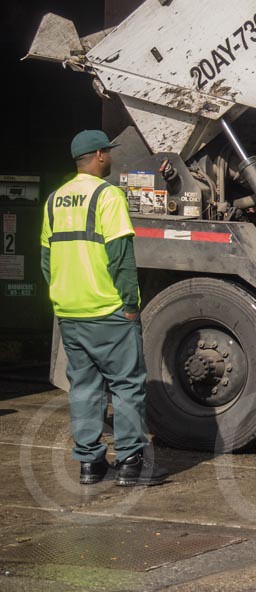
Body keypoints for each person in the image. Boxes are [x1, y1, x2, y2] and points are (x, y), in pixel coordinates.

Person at [40, 130, 167, 486]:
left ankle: (89, 465)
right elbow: (121, 258)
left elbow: (46, 260)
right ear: (98, 155)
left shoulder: (54, 200)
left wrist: (62, 296)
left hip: (70, 310)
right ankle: (130, 463)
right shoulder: (107, 196)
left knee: (84, 387)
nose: (110, 158)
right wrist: (130, 304)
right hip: (107, 310)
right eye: (107, 153)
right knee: (126, 385)